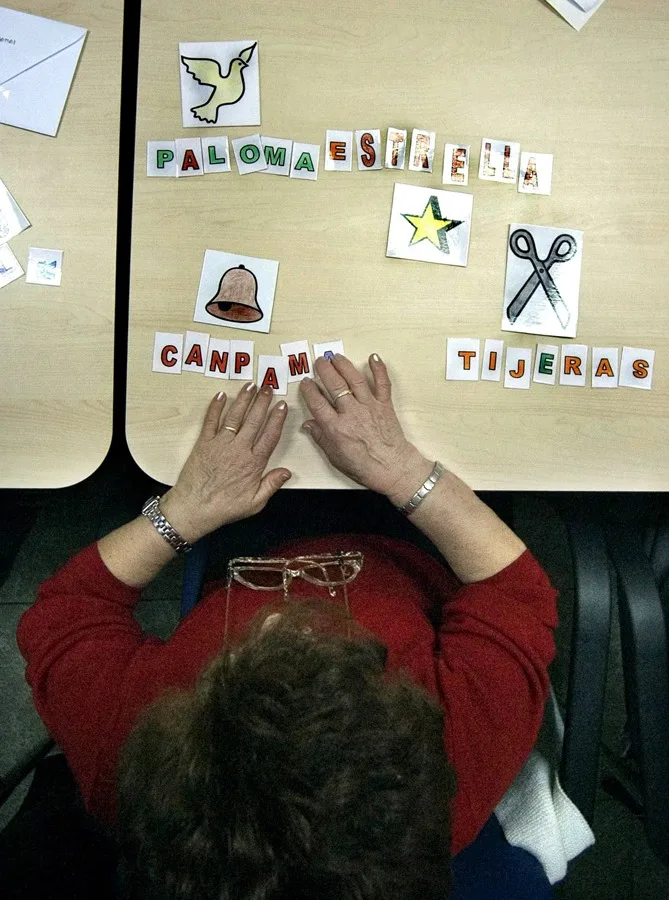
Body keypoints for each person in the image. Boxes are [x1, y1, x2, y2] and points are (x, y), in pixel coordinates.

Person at [17, 353, 557, 899]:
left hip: (241, 528)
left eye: (236, 662)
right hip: (422, 542)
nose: (281, 612)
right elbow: (516, 590)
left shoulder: (132, 765)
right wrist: (405, 472)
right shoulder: (439, 775)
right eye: (343, 661)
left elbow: (70, 608)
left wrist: (183, 511)